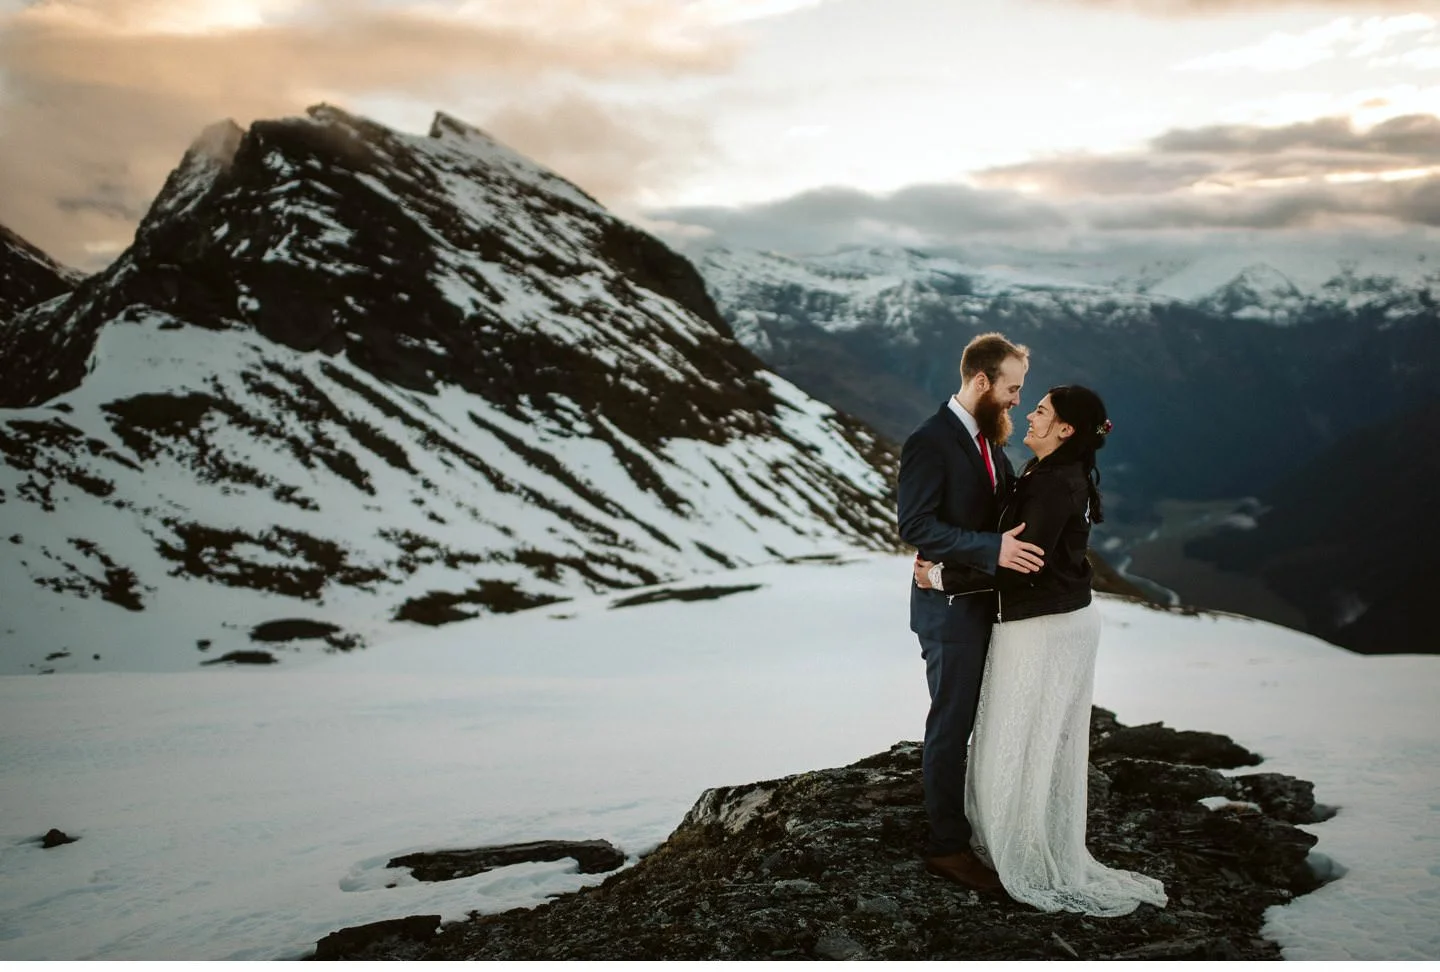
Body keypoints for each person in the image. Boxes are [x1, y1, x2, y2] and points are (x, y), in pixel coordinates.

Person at [915, 386, 1168, 916]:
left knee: (1019, 735)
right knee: (1028, 737)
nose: (1029, 415)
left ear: (1066, 430)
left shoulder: (1053, 484)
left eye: (1042, 412)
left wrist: (940, 575)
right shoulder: (1049, 472)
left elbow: (1021, 562)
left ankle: (1022, 848)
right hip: (1054, 623)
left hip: (1044, 629)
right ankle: (1018, 834)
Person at [896, 332, 1046, 892]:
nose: (1015, 399)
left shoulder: (990, 438)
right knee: (951, 725)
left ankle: (979, 823)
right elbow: (915, 526)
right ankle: (947, 846)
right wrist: (992, 550)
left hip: (981, 605)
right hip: (949, 613)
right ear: (981, 381)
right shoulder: (930, 441)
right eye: (1011, 388)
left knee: (983, 722)